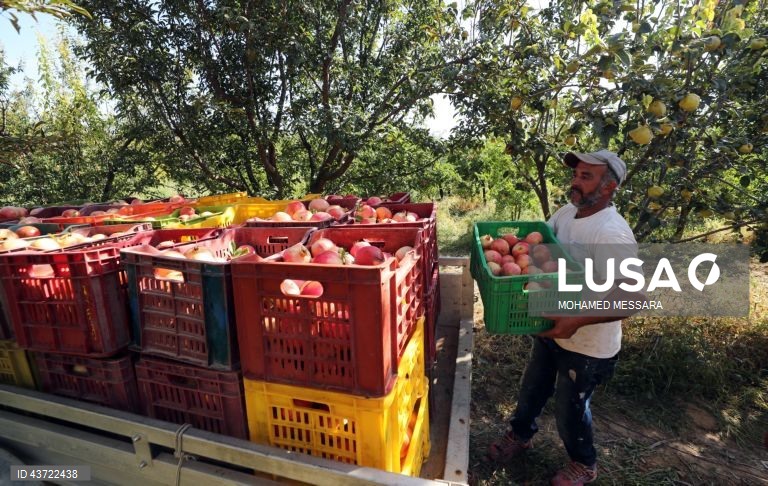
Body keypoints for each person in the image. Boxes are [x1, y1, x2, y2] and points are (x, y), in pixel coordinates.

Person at [486, 150, 639, 486]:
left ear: (610, 186)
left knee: (570, 410)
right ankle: (520, 434)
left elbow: (634, 297)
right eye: (576, 174)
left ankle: (584, 463)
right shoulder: (568, 212)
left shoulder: (611, 233)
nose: (575, 182)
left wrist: (576, 321)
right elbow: (540, 250)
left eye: (586, 177)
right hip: (554, 327)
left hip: (587, 345)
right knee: (532, 390)